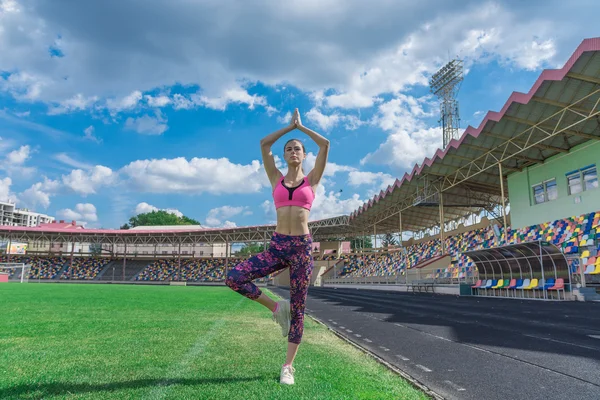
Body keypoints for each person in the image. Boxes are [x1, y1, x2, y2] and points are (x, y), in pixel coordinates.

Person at [225, 108, 329, 385]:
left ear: (304, 155)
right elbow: (264, 144)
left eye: (297, 149)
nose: (293, 151)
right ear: (284, 155)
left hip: (303, 248)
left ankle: (288, 366)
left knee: (299, 306)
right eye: (289, 149)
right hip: (278, 245)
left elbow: (325, 145)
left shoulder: (312, 180)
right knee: (234, 277)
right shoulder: (276, 179)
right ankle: (274, 307)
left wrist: (302, 127)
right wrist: (288, 127)